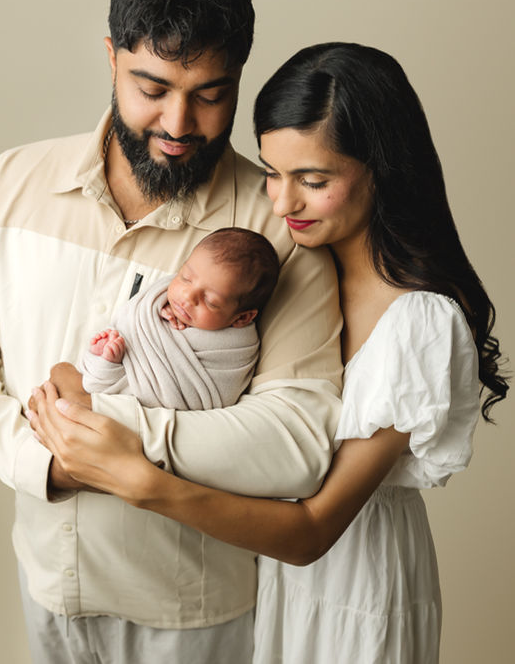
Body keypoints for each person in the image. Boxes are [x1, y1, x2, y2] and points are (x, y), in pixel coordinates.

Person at [0, 0, 343, 663]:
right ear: (111, 57)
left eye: (211, 96)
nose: (179, 126)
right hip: (47, 586)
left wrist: (124, 439)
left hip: (197, 613)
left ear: (239, 75)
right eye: (152, 89)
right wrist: (43, 461)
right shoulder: (10, 187)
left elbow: (299, 439)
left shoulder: (276, 229)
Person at [29, 42, 508, 663]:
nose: (282, 205)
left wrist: (144, 481)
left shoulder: (419, 320)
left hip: (355, 590)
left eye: (314, 181)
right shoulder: (281, 276)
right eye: (272, 174)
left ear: (381, 169)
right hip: (274, 583)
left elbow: (313, 531)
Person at [78, 227, 279, 409]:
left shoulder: (234, 348)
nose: (187, 297)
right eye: (185, 277)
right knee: (110, 350)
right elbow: (133, 317)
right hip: (123, 373)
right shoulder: (159, 299)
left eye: (210, 301)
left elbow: (203, 398)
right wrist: (155, 309)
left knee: (105, 385)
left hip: (153, 405)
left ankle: (106, 370)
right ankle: (105, 363)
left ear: (242, 318)